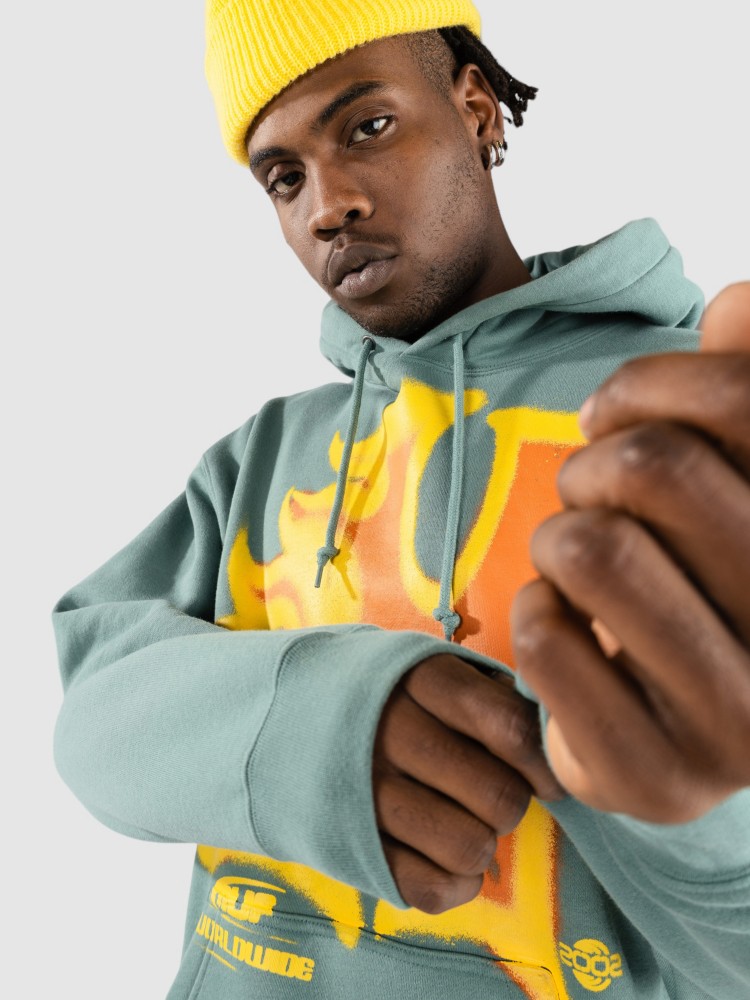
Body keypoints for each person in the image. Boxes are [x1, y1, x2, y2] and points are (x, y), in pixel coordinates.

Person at [52, 1, 750, 997]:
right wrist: (311, 729)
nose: (326, 206)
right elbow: (91, 721)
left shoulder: (685, 419)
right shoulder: (264, 453)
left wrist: (711, 833)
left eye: (366, 127)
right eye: (284, 178)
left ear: (477, 109)